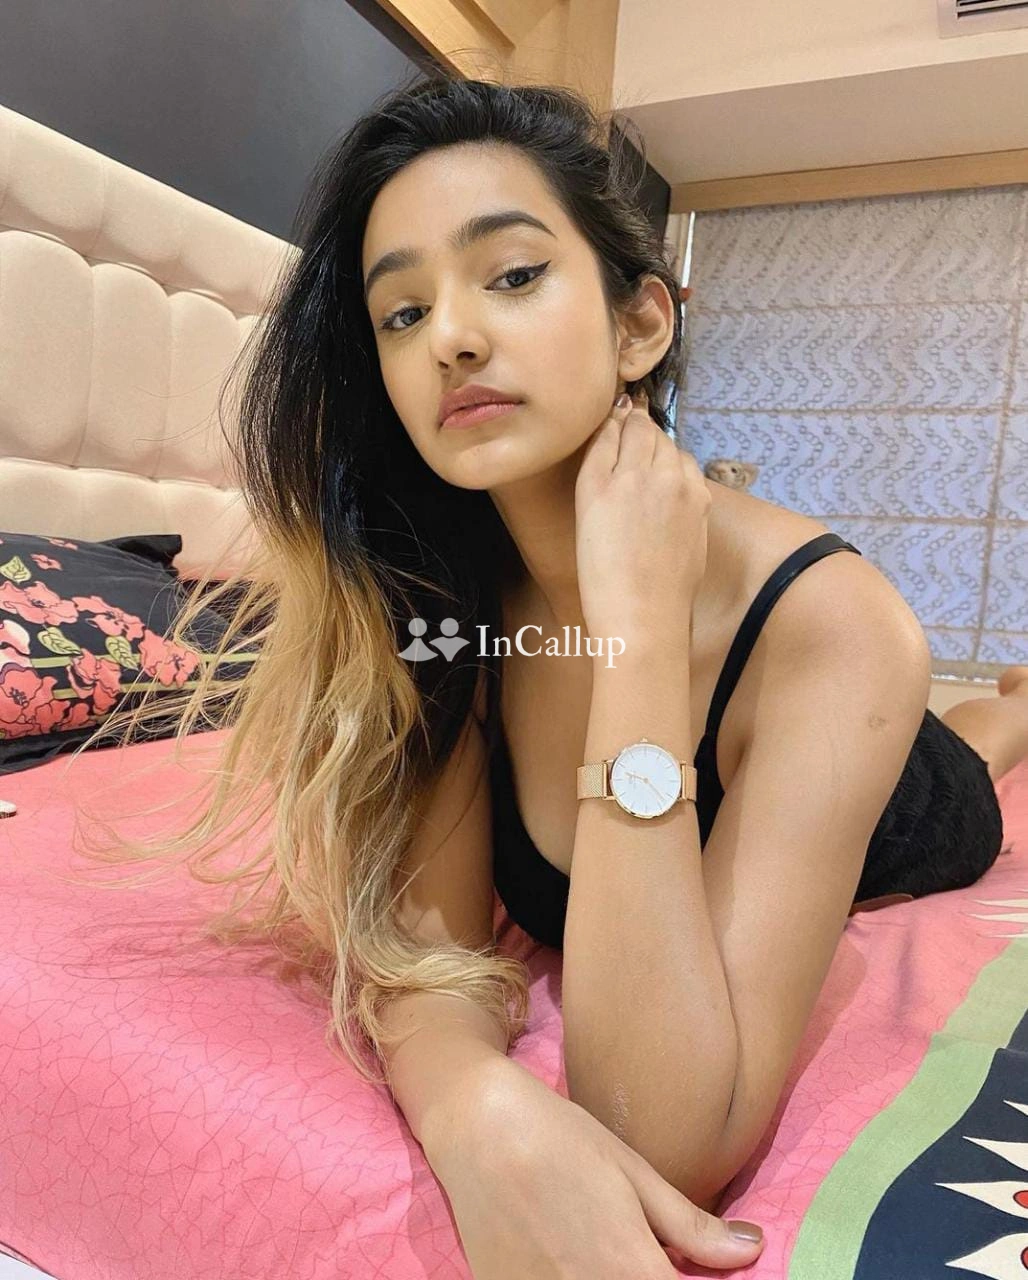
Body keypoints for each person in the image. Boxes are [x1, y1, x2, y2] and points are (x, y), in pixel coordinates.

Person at [77, 70, 1028, 1278]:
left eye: (514, 274)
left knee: (974, 767)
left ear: (639, 325)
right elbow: (428, 950)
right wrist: (468, 1098)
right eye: (401, 312)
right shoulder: (445, 609)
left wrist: (634, 635)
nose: (452, 336)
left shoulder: (834, 621)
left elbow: (667, 1131)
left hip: (900, 795)